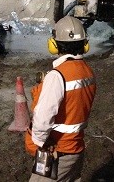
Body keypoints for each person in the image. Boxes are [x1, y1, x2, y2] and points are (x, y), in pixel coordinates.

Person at [25, 15, 97, 181]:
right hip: (76, 149)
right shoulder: (88, 72)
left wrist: (38, 143)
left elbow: (43, 118)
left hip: (58, 151)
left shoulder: (57, 76)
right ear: (85, 45)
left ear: (54, 44)